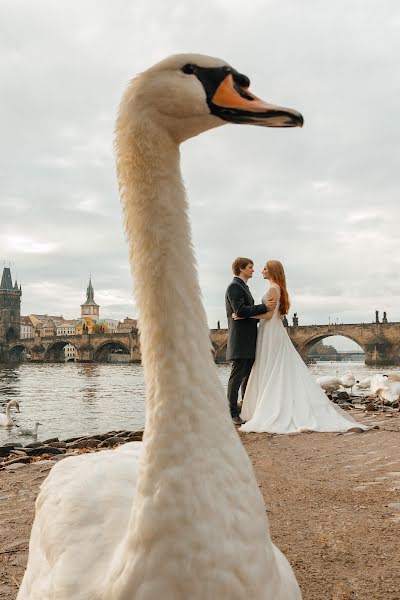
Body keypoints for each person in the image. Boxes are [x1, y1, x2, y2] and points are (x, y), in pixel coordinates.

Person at [236, 260, 368, 433]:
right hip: (272, 331)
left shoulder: (273, 289)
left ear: (273, 271)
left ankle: (269, 407)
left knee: (270, 367)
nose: (262, 271)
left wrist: (245, 316)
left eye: (265, 268)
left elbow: (269, 315)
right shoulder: (278, 288)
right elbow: (278, 315)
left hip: (270, 331)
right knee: (273, 367)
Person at [225, 257, 276, 425]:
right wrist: (264, 308)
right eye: (250, 267)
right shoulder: (234, 287)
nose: (253, 270)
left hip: (248, 338)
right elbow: (239, 310)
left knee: (247, 377)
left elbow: (243, 314)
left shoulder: (243, 287)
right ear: (241, 269)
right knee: (237, 377)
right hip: (240, 340)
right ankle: (232, 413)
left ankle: (245, 409)